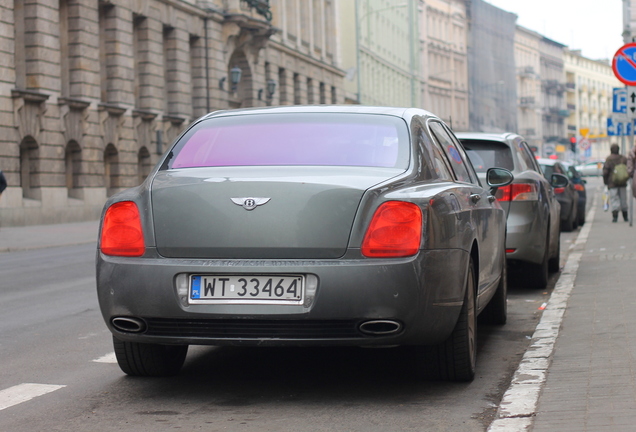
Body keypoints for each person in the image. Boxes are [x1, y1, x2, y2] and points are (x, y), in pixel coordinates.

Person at [603, 144, 629, 222]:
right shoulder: (623, 158)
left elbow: (605, 172)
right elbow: (628, 169)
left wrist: (606, 182)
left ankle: (615, 217)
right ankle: (625, 217)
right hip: (622, 182)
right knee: (623, 199)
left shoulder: (609, 159)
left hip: (612, 183)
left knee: (614, 199)